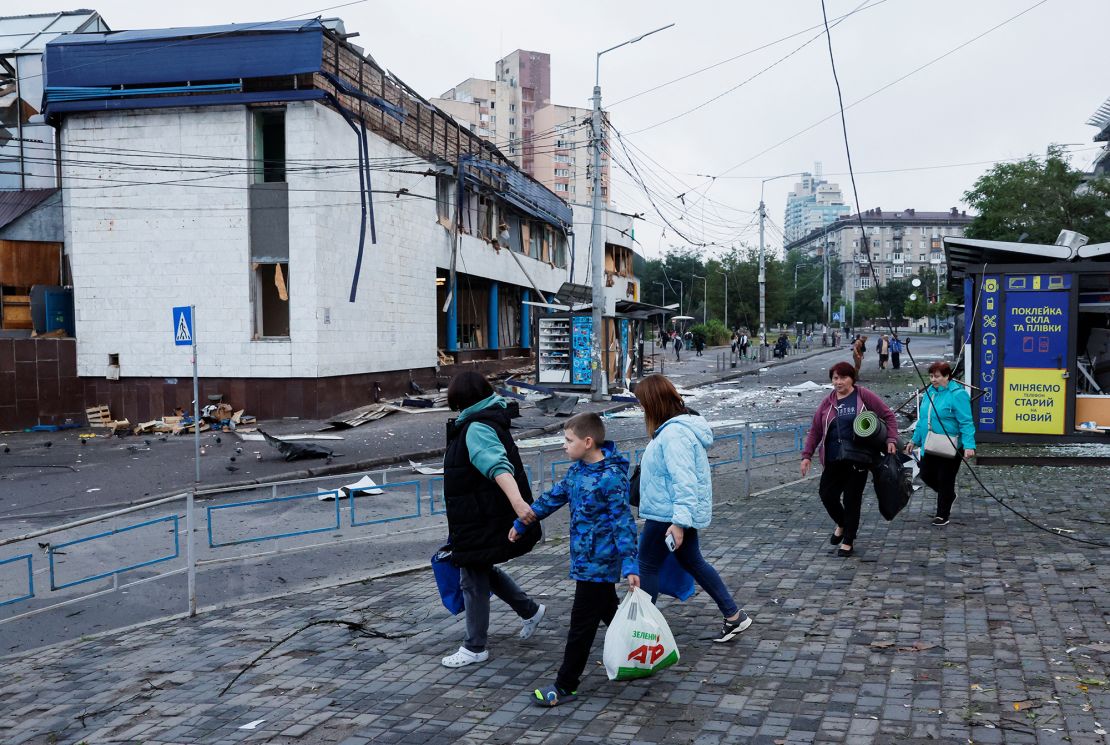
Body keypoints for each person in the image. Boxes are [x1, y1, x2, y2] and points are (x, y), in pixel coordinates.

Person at [510, 413, 639, 707]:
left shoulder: (611, 477)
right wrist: (523, 523)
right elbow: (552, 498)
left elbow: (622, 522)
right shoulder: (577, 472)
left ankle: (566, 684)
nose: (564, 446)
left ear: (588, 441)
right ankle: (639, 654)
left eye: (569, 441)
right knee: (609, 611)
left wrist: (630, 563)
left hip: (600, 562)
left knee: (581, 625)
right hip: (584, 559)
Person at [634, 374, 752, 642]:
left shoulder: (674, 434)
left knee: (647, 565)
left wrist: (678, 522)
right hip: (671, 512)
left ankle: (643, 630)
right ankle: (734, 616)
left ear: (654, 403)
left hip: (668, 514)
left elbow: (685, 481)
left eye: (642, 402)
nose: (641, 408)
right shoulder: (673, 430)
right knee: (693, 562)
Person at [441, 372, 544, 668]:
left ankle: (475, 646)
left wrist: (518, 503)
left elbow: (498, 466)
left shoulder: (476, 427)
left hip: (481, 515)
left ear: (462, 399)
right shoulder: (484, 419)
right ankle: (531, 611)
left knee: (471, 575)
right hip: (479, 513)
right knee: (479, 566)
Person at [800, 362, 898, 557]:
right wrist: (807, 456)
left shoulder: (862, 396)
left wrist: (891, 439)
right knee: (827, 495)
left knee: (853, 499)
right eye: (835, 378)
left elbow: (888, 415)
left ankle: (848, 540)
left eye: (843, 377)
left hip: (858, 458)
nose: (839, 382)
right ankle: (843, 523)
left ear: (852, 378)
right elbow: (815, 431)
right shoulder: (827, 403)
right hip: (833, 458)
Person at [906, 361, 976, 526]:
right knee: (926, 474)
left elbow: (966, 422)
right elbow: (922, 420)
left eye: (937, 376)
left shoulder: (958, 395)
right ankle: (948, 495)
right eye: (931, 376)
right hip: (930, 443)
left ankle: (942, 514)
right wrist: (914, 440)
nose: (933, 380)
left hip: (950, 445)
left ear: (947, 376)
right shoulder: (930, 393)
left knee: (945, 479)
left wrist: (969, 445)